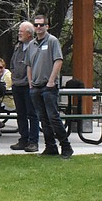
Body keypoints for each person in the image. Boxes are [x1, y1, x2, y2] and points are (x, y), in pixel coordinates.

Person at [28, 14, 74, 160]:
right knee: (43, 118)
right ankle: (50, 146)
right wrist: (30, 82)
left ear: (47, 26)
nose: (39, 27)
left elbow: (58, 60)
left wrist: (51, 80)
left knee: (53, 117)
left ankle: (66, 147)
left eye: (41, 25)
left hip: (49, 86)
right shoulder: (31, 44)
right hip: (35, 86)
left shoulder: (52, 41)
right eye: (36, 25)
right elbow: (29, 65)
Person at [8, 21, 39, 152]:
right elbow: (13, 64)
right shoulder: (18, 47)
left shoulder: (35, 47)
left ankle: (33, 142)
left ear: (29, 34)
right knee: (20, 113)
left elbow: (35, 66)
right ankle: (23, 139)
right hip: (17, 85)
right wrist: (14, 78)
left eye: (22, 31)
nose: (19, 33)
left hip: (29, 86)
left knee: (32, 114)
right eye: (19, 31)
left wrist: (30, 81)